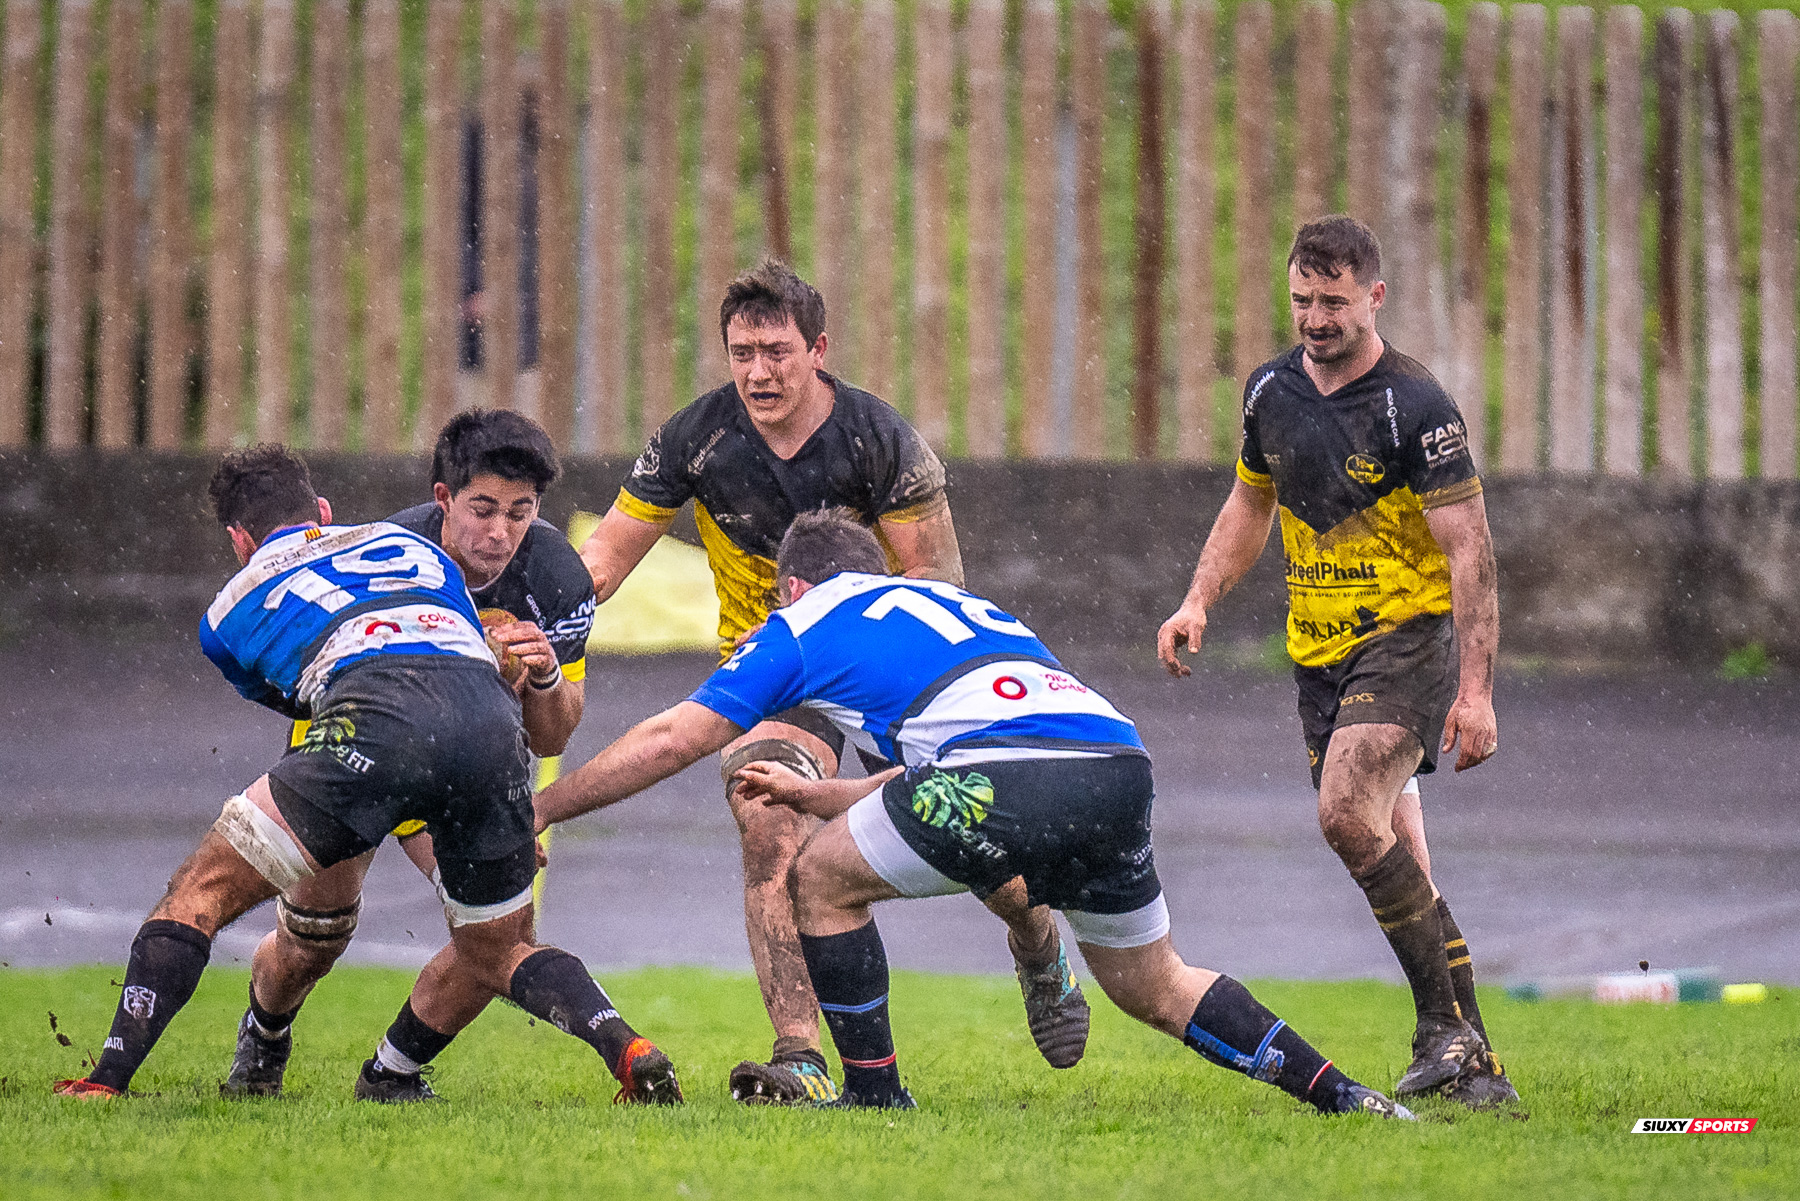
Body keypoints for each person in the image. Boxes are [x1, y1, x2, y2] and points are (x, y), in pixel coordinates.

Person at [534, 511, 1410, 1116]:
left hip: (1006, 773)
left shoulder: (807, 617)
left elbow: (670, 736)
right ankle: (1342, 1092)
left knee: (818, 879)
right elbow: (955, 762)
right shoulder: (957, 605)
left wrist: (543, 805)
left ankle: (876, 1096)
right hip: (1116, 763)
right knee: (1156, 982)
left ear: (789, 583)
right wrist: (822, 795)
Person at [573, 260, 1085, 1102]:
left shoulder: (879, 441)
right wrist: (526, 611)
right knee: (765, 809)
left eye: (777, 352)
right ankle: (802, 1057)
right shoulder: (695, 438)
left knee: (972, 829)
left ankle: (1037, 943)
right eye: (742, 352)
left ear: (818, 350)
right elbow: (604, 561)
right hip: (779, 671)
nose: (759, 372)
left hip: (887, 671)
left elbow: (937, 589)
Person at [55, 445, 679, 1106]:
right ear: (323, 511)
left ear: (239, 540)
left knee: (199, 892)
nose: (499, 531)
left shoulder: (227, 609)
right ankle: (628, 1047)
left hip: (366, 729)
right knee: (495, 948)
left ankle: (106, 1079)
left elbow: (303, 698)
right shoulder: (410, 545)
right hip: (489, 730)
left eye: (517, 513)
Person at [1155, 216, 1516, 1107]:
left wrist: (1476, 690)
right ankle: (1473, 1064)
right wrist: (1199, 598)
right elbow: (1250, 503)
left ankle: (1441, 1030)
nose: (1315, 318)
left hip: (1406, 642)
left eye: (1334, 302)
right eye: (1302, 299)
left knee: (1347, 814)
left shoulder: (1416, 407)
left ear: (1375, 298)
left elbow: (1470, 551)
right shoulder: (1270, 391)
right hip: (1319, 659)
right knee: (1403, 861)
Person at [222, 410, 596, 1099]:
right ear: (444, 498)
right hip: (356, 742)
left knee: (501, 934)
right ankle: (266, 1032)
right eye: (483, 509)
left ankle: (391, 1072)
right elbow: (306, 690)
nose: (500, 532)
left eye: (521, 512)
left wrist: (542, 677)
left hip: (463, 762)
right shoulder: (387, 549)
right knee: (315, 933)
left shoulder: (559, 578)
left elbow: (552, 737)